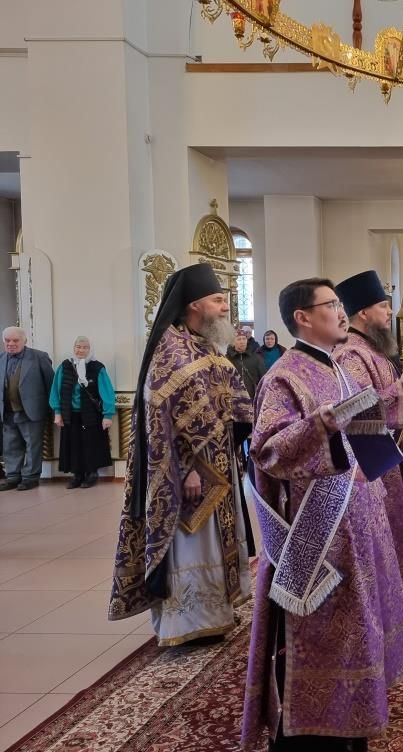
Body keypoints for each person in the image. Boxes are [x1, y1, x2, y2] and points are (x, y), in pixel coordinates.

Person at [241, 278, 403, 752]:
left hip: (358, 525)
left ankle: (353, 724)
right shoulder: (284, 377)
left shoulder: (337, 367)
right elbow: (267, 450)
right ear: (303, 317)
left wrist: (380, 420)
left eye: (340, 304)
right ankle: (314, 733)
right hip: (320, 535)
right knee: (323, 637)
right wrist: (319, 424)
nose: (341, 312)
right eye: (331, 304)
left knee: (357, 634)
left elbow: (364, 430)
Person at [109, 263, 253, 646]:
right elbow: (163, 421)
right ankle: (187, 624)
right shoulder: (171, 350)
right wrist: (186, 469)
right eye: (218, 300)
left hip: (220, 466)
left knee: (216, 541)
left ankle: (217, 613)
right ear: (194, 304)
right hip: (188, 473)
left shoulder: (204, 345)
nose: (225, 307)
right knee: (192, 545)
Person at [335, 270, 403, 639]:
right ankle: (389, 627)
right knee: (386, 540)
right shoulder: (350, 354)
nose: (389, 312)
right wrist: (399, 387)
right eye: (383, 306)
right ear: (363, 313)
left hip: (393, 459)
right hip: (373, 466)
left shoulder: (372, 350)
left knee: (400, 534)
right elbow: (354, 413)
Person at [49, 337, 114, 489]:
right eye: (78, 347)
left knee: (91, 444)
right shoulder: (65, 366)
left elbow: (107, 392)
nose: (81, 350)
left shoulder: (97, 368)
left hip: (92, 414)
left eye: (85, 347)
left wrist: (108, 415)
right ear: (74, 348)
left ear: (90, 349)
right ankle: (77, 474)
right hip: (70, 414)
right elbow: (56, 390)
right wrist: (57, 412)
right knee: (73, 445)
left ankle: (91, 473)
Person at [1, 326, 54, 492]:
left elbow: (51, 385)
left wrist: (54, 411)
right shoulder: (1, 358)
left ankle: (30, 478)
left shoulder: (39, 357)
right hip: (8, 412)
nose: (11, 344)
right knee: (10, 446)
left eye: (15, 340)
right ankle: (12, 476)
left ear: (24, 340)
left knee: (33, 446)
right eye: (7, 340)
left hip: (32, 411)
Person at [227, 329, 268, 399]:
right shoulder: (227, 359)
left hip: (252, 397)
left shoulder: (256, 358)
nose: (242, 342)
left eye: (244, 339)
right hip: (233, 398)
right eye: (239, 339)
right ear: (233, 342)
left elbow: (263, 378)